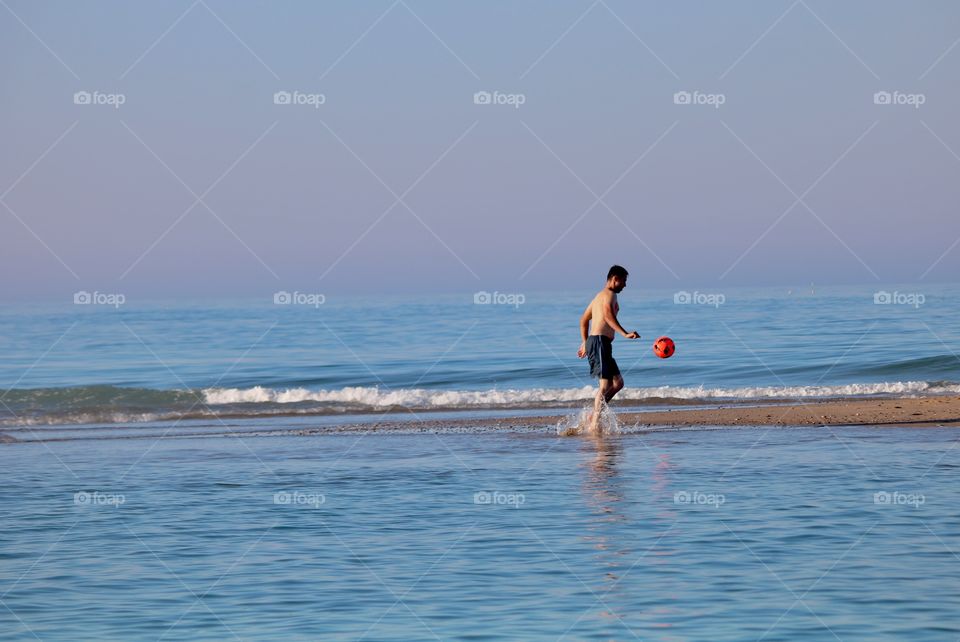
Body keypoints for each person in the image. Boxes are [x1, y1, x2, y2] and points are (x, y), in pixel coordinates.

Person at [577, 265, 640, 433]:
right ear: (615, 279)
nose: (625, 285)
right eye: (624, 281)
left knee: (618, 383)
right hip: (599, 342)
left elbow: (583, 320)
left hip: (599, 343)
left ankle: (594, 414)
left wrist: (585, 342)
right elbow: (607, 315)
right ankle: (594, 425)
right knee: (604, 385)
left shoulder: (599, 296)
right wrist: (625, 334)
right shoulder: (609, 295)